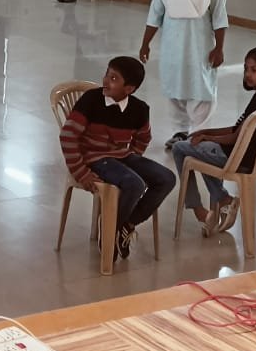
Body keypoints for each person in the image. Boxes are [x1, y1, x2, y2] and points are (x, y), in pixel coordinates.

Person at [58, 56, 174, 259]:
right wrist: (81, 172)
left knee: (167, 178)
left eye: (113, 78)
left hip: (123, 156)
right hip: (94, 158)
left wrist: (134, 158)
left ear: (129, 89)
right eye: (106, 74)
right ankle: (110, 233)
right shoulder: (91, 100)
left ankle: (124, 225)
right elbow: (68, 136)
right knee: (134, 184)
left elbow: (143, 137)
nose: (105, 80)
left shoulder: (139, 109)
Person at [170, 47, 256, 236]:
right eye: (246, 69)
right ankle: (221, 199)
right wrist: (206, 132)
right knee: (197, 149)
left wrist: (208, 137)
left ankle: (203, 209)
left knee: (179, 148)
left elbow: (234, 137)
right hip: (247, 158)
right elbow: (237, 129)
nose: (248, 74)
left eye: (254, 70)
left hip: (236, 159)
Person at [138, 0, 229, 143]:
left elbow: (219, 18)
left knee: (201, 86)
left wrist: (219, 48)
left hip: (200, 45)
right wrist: (145, 44)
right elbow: (154, 15)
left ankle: (199, 133)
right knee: (174, 85)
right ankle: (180, 131)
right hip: (172, 44)